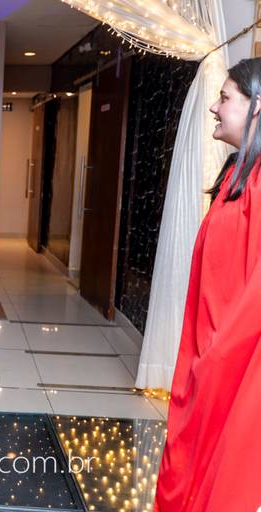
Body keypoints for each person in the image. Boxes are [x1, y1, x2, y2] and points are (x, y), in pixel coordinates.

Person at [154, 58, 261, 511]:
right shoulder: (238, 175)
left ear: (257, 106)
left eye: (225, 97)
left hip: (232, 366)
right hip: (205, 354)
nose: (215, 108)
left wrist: (215, 359)